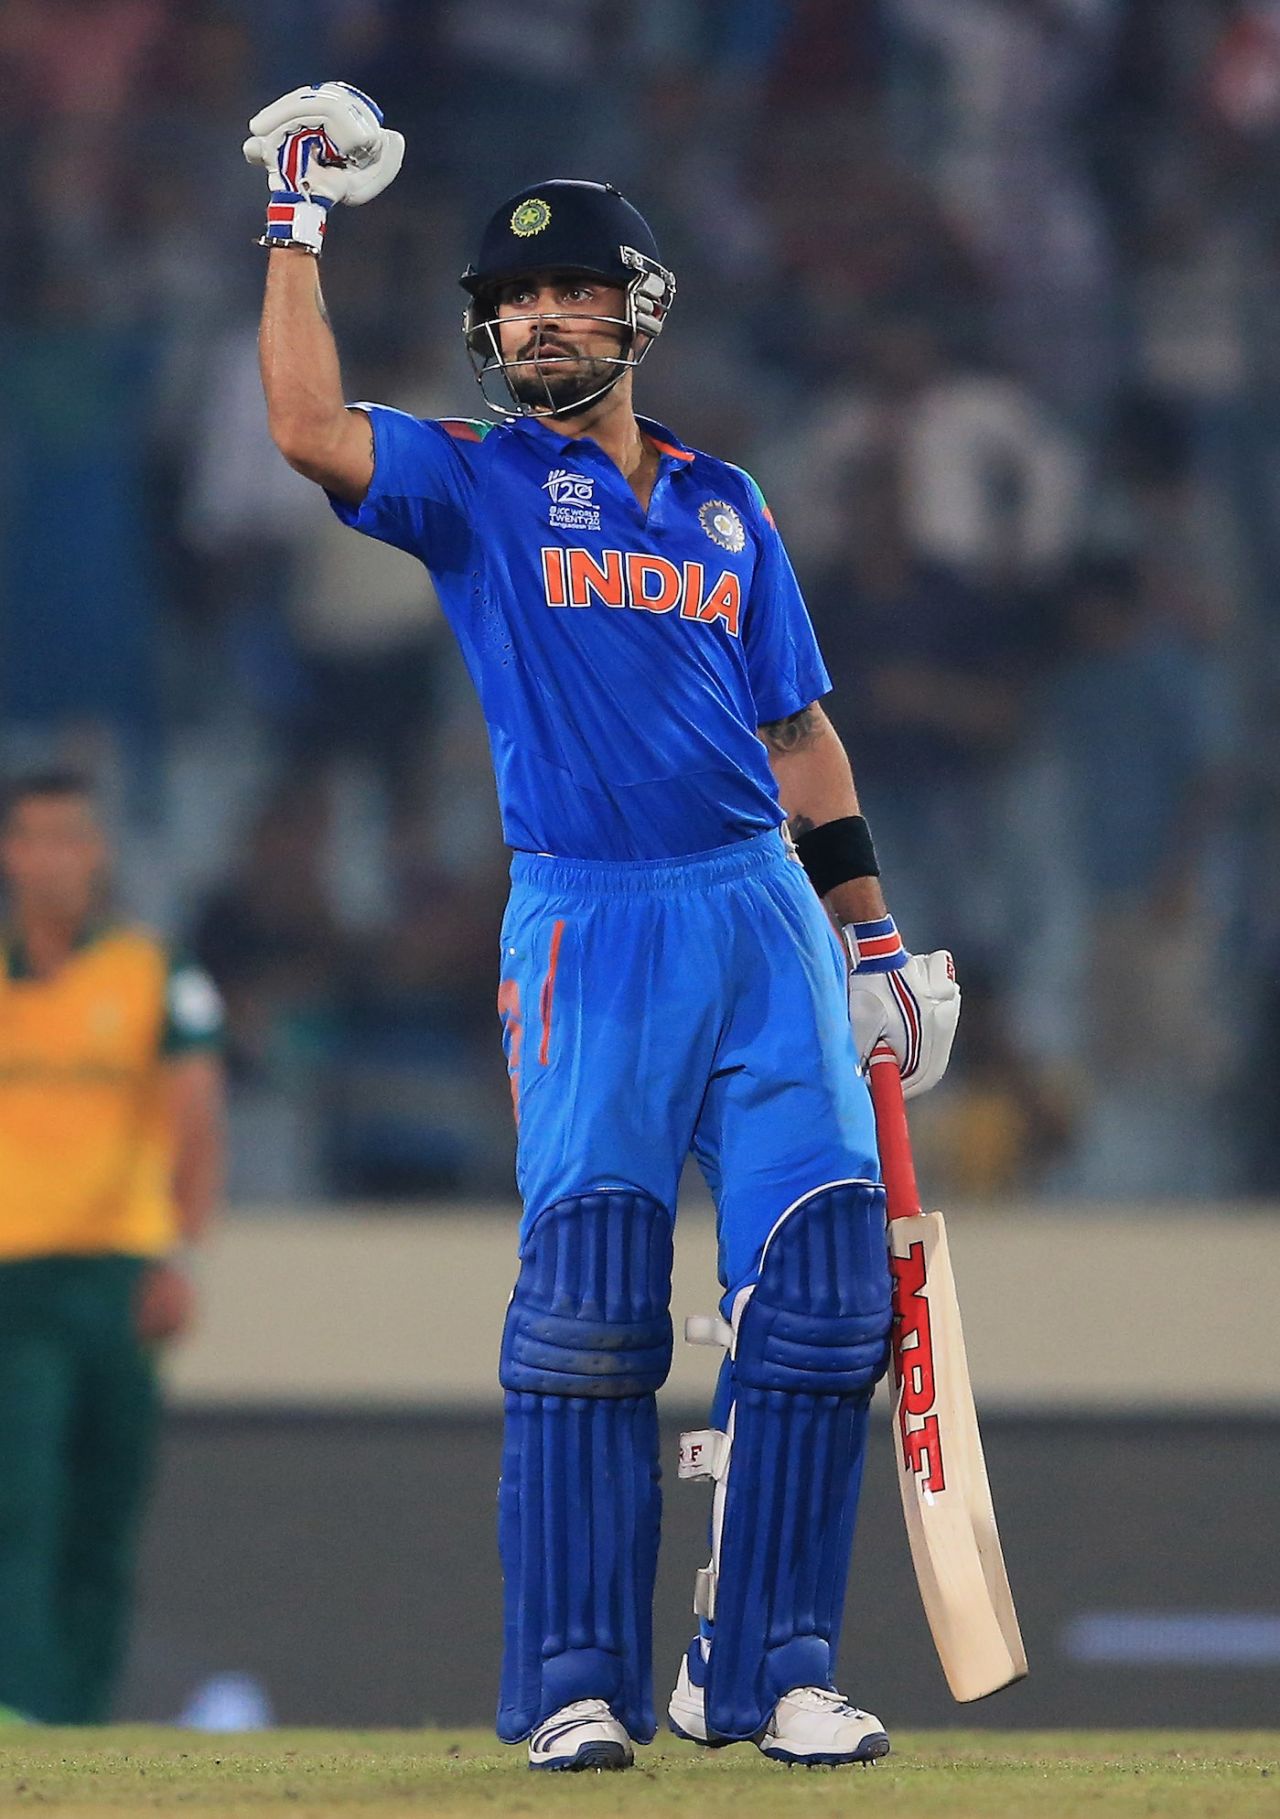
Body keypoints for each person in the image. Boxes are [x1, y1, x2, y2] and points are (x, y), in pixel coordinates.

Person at [245, 81, 960, 1771]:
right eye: (511, 299)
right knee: (589, 1316)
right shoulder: (480, 485)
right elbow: (303, 425)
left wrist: (868, 933)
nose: (539, 316)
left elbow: (800, 734)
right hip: (592, 924)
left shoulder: (729, 505)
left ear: (636, 308)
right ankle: (577, 1677)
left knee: (825, 1297)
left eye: (570, 291)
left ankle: (768, 1661)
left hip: (762, 920)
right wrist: (295, 217)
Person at [0, 771, 225, 1723]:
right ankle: (23, 1704)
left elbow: (197, 1116)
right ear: (10, 852)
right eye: (37, 837)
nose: (56, 856)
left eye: (73, 836)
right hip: (13, 1277)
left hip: (119, 1276)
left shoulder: (153, 972)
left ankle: (78, 1714)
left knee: (104, 1505)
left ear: (97, 852)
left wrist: (181, 1255)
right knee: (22, 1497)